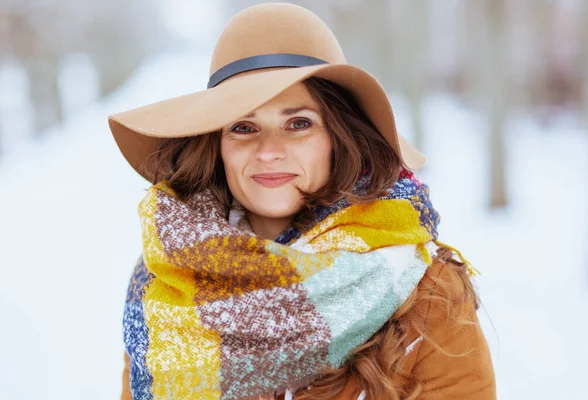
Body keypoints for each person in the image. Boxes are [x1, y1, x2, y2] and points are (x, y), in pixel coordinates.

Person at [109, 3, 496, 400]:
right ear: (217, 146)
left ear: (339, 138)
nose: (269, 151)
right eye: (244, 127)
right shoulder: (170, 279)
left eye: (298, 124)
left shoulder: (425, 290)